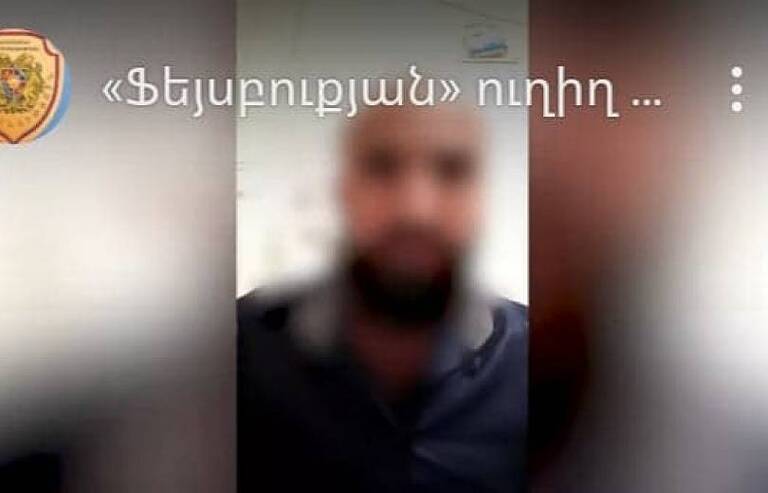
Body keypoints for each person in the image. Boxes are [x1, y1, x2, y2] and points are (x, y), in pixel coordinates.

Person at [237, 101, 527, 493]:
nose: (415, 210)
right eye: (382, 167)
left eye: (451, 170)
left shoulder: (542, 361)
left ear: (481, 197)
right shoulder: (242, 349)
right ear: (343, 191)